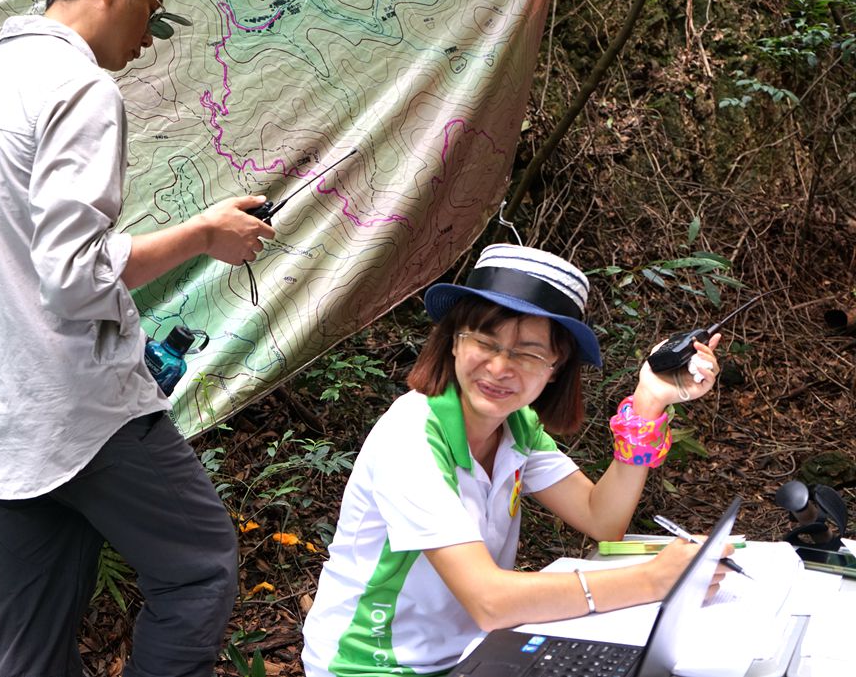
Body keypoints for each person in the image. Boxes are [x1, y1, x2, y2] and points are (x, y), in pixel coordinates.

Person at [0, 0, 274, 677]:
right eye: (154, 11)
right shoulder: (78, 87)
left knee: (29, 654)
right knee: (200, 567)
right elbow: (75, 274)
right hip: (82, 413)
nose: (150, 39)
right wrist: (204, 234)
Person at [301, 243, 730, 676]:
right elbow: (489, 601)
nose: (499, 367)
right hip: (370, 666)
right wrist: (653, 580)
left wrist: (649, 400)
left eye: (528, 353)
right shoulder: (411, 435)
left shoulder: (516, 427)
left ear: (555, 368)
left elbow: (602, 518)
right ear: (454, 342)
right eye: (485, 342)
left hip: (471, 654)